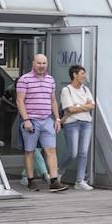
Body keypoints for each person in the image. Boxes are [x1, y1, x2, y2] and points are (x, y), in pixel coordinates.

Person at [17, 54, 67, 192]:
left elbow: (53, 100)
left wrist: (57, 118)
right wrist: (26, 119)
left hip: (47, 120)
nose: (41, 66)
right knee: (30, 151)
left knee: (51, 150)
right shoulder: (24, 79)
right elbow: (20, 101)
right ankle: (31, 180)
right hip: (31, 121)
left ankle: (54, 181)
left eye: (44, 63)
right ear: (33, 63)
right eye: (39, 63)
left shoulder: (50, 80)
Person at [59, 64, 95, 191]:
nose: (84, 76)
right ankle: (59, 171)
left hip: (86, 123)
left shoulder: (86, 89)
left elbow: (92, 106)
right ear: (74, 75)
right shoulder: (66, 90)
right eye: (82, 73)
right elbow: (69, 109)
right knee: (72, 153)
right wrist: (84, 106)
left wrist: (78, 106)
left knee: (83, 153)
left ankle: (79, 181)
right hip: (72, 123)